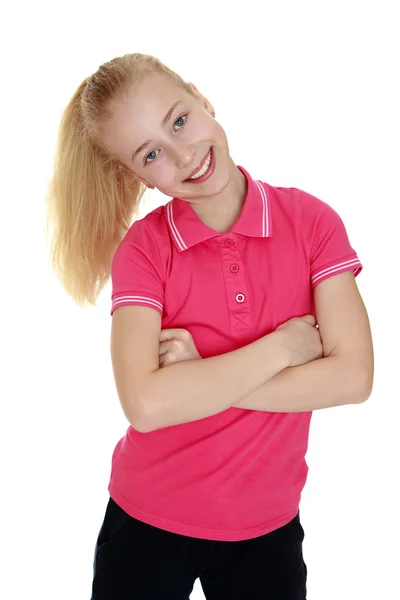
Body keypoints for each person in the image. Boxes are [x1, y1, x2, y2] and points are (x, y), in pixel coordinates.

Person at [45, 53, 374, 599]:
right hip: (147, 517)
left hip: (267, 527)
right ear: (137, 176)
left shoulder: (312, 223)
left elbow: (353, 379)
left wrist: (200, 379)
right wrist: (282, 347)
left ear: (202, 99)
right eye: (152, 154)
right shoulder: (145, 251)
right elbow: (147, 406)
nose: (185, 153)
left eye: (179, 120)